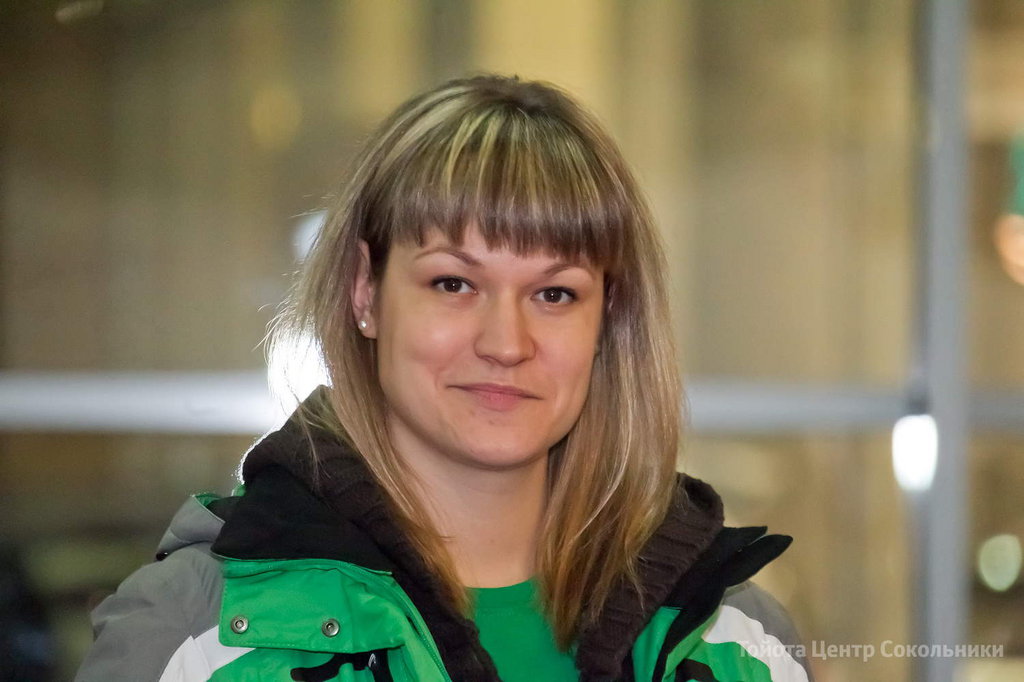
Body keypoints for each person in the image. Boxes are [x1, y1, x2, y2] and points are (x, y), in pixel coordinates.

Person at [75, 75, 812, 682]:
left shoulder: (739, 642)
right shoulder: (193, 636)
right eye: (454, 283)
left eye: (555, 294)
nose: (506, 344)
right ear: (365, 292)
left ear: (607, 322)